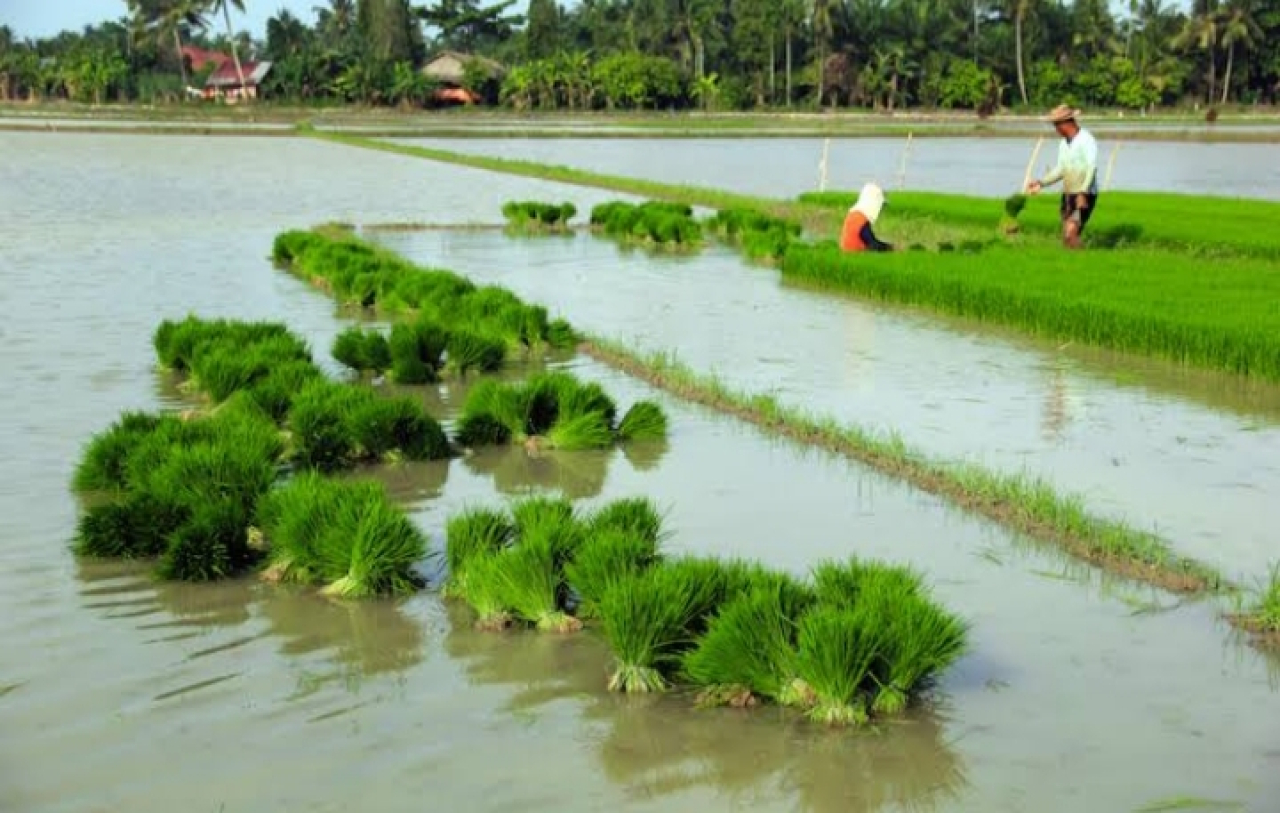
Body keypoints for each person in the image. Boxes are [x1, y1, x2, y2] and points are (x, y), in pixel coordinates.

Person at [1026, 104, 1099, 249]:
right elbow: (1061, 169)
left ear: (1067, 123)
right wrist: (1041, 183)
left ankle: (1085, 261)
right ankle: (1076, 264)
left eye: (1056, 125)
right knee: (1067, 237)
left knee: (1071, 234)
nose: (1056, 129)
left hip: (1084, 195)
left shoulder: (1086, 140)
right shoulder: (1063, 144)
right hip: (1068, 194)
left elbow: (1091, 167)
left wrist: (1083, 192)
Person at [839, 182, 894, 252]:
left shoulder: (854, 215)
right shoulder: (860, 219)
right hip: (856, 255)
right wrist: (890, 247)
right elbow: (872, 244)